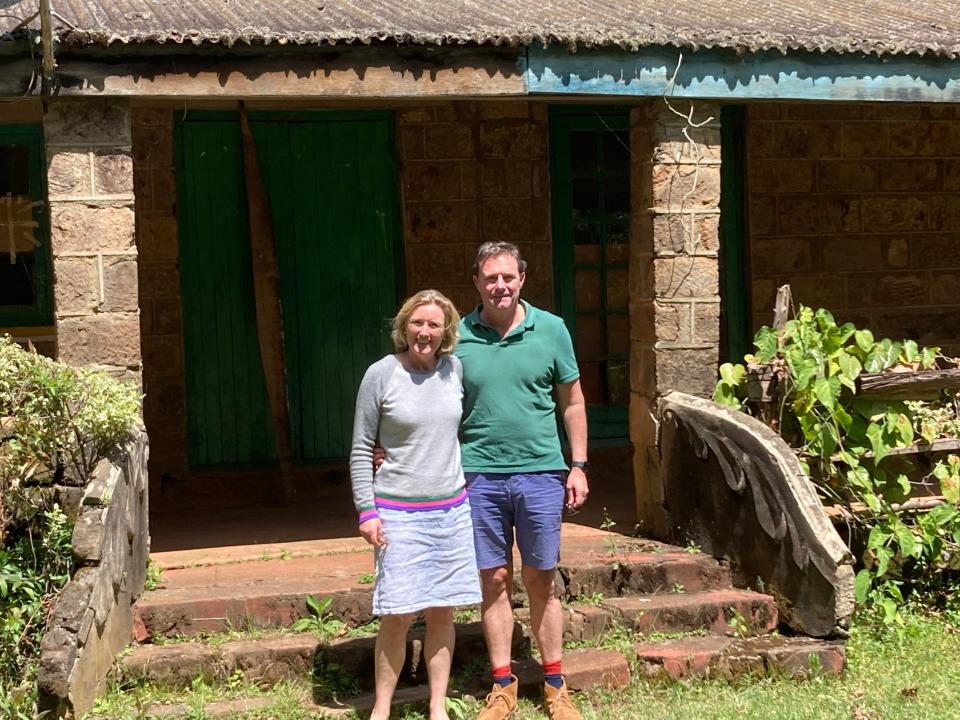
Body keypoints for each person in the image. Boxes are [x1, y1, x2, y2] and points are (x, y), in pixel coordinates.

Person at [459, 241, 589, 720]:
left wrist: (578, 465)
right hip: (478, 475)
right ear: (477, 282)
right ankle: (502, 685)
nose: (500, 286)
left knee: (541, 579)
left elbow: (572, 402)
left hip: (540, 472)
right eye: (491, 278)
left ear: (522, 279)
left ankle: (554, 684)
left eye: (508, 277)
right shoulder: (458, 336)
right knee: (492, 580)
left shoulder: (551, 329)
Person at [350, 289, 481, 720]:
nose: (424, 332)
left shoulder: (455, 370)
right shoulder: (381, 374)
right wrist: (367, 511)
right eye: (417, 323)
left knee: (443, 611)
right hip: (398, 515)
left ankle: (438, 706)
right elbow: (360, 448)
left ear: (446, 331)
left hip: (450, 511)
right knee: (398, 613)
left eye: (433, 324)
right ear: (404, 326)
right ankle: (382, 709)